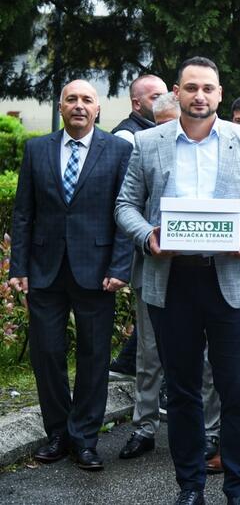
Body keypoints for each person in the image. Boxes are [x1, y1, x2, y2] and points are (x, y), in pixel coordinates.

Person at [115, 57, 240, 505]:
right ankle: (190, 486)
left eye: (208, 88)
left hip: (233, 280)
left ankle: (239, 488)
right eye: (191, 88)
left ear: (220, 93)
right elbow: (125, 206)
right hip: (172, 282)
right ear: (177, 92)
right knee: (183, 391)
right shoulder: (148, 143)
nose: (200, 96)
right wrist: (147, 236)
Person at [10, 79, 133, 471]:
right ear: (61, 107)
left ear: (98, 109)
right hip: (44, 270)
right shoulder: (37, 149)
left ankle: (84, 439)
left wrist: (120, 266)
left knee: (94, 356)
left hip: (97, 272)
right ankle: (58, 433)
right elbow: (24, 213)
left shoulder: (118, 150)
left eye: (87, 100)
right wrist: (18, 267)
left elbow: (125, 211)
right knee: (46, 353)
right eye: (71, 99)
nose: (79, 105)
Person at [117, 91, 181, 461]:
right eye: (159, 126)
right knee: (148, 354)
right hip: (153, 266)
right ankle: (144, 427)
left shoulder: (208, 153)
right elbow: (126, 206)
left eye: (171, 125)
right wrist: (147, 236)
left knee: (204, 358)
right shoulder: (143, 150)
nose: (165, 133)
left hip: (202, 271)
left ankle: (206, 431)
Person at [109, 74, 169, 380]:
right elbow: (125, 202)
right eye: (154, 97)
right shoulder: (128, 137)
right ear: (136, 103)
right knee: (150, 330)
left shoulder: (158, 132)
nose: (163, 101)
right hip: (144, 246)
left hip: (163, 247)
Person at [113, 74, 169, 146]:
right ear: (136, 104)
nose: (165, 102)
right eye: (156, 97)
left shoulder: (164, 129)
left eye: (166, 97)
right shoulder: (126, 137)